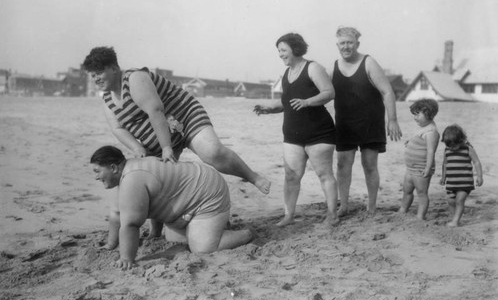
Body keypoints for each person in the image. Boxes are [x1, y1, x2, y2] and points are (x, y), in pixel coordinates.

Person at [81, 47, 270, 193]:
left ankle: (253, 177)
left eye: (99, 72)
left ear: (114, 68)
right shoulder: (106, 99)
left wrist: (166, 148)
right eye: (93, 75)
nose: (96, 78)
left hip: (185, 117)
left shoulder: (134, 79)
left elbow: (155, 111)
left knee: (212, 153)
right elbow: (117, 128)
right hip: (156, 137)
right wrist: (137, 148)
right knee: (155, 178)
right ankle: (158, 229)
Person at [90, 145, 254, 270]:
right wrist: (111, 244)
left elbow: (131, 224)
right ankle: (215, 226)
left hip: (207, 192)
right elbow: (116, 214)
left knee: (202, 248)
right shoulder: (125, 176)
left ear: (113, 168)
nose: (96, 177)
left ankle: (246, 234)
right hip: (188, 199)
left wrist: (126, 258)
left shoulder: (132, 178)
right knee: (174, 239)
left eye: (97, 171)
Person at [254, 33, 339, 227]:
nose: (280, 55)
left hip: (319, 133)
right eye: (279, 51)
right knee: (291, 176)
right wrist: (269, 109)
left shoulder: (313, 68)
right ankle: (288, 215)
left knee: (324, 174)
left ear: (296, 49)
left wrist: (307, 102)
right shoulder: (286, 73)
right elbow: (288, 103)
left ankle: (332, 215)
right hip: (292, 135)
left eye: (283, 50)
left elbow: (329, 93)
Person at [331, 26, 402, 216]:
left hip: (370, 122)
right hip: (345, 124)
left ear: (357, 44)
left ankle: (371, 207)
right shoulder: (334, 66)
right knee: (342, 165)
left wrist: (392, 119)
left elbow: (387, 91)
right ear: (337, 45)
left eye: (350, 43)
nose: (346, 47)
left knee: (369, 165)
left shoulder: (368, 62)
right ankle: (344, 205)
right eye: (342, 43)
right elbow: (323, 92)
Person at [398, 99, 440, 220]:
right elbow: (419, 139)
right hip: (411, 168)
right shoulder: (424, 127)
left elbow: (431, 151)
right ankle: (403, 209)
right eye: (414, 114)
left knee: (422, 193)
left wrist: (427, 168)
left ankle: (420, 216)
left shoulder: (432, 131)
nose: (415, 117)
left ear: (429, 114)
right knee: (407, 190)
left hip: (421, 169)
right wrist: (410, 142)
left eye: (418, 114)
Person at [440, 124, 483, 227]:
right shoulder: (447, 150)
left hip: (465, 182)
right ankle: (454, 218)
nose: (452, 148)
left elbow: (476, 162)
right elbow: (445, 164)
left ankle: (455, 221)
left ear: (461, 140)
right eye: (449, 145)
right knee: (450, 201)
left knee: (459, 200)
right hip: (451, 182)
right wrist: (443, 176)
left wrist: (480, 176)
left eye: (454, 145)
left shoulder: (467, 148)